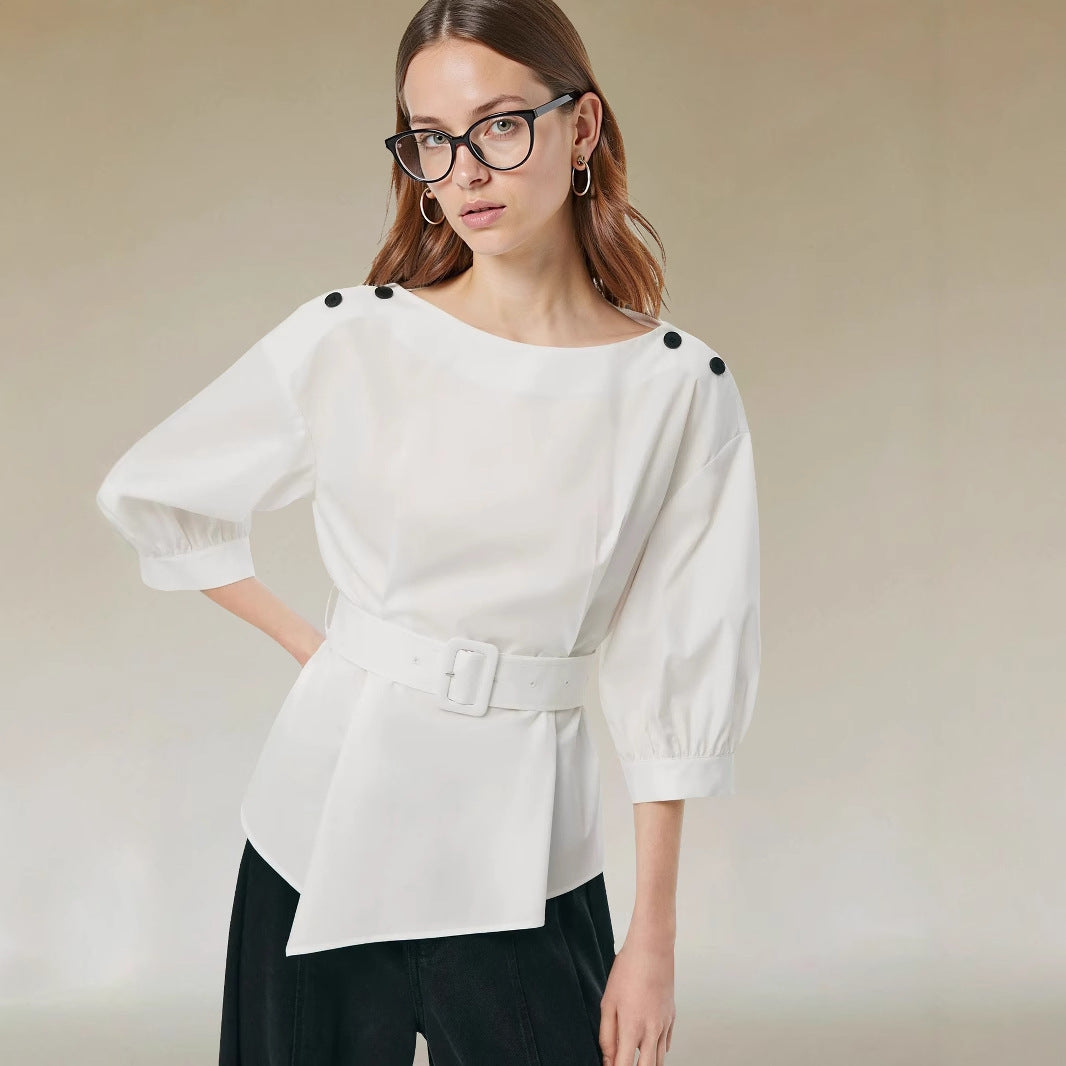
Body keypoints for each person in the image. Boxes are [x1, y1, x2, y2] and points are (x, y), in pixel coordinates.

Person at [94, 1, 762, 1063]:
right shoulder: (354, 336)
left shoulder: (677, 388)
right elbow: (158, 492)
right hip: (321, 821)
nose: (466, 171)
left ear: (582, 127)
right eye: (432, 140)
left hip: (526, 851)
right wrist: (319, 648)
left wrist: (654, 938)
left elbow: (673, 668)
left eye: (501, 125)